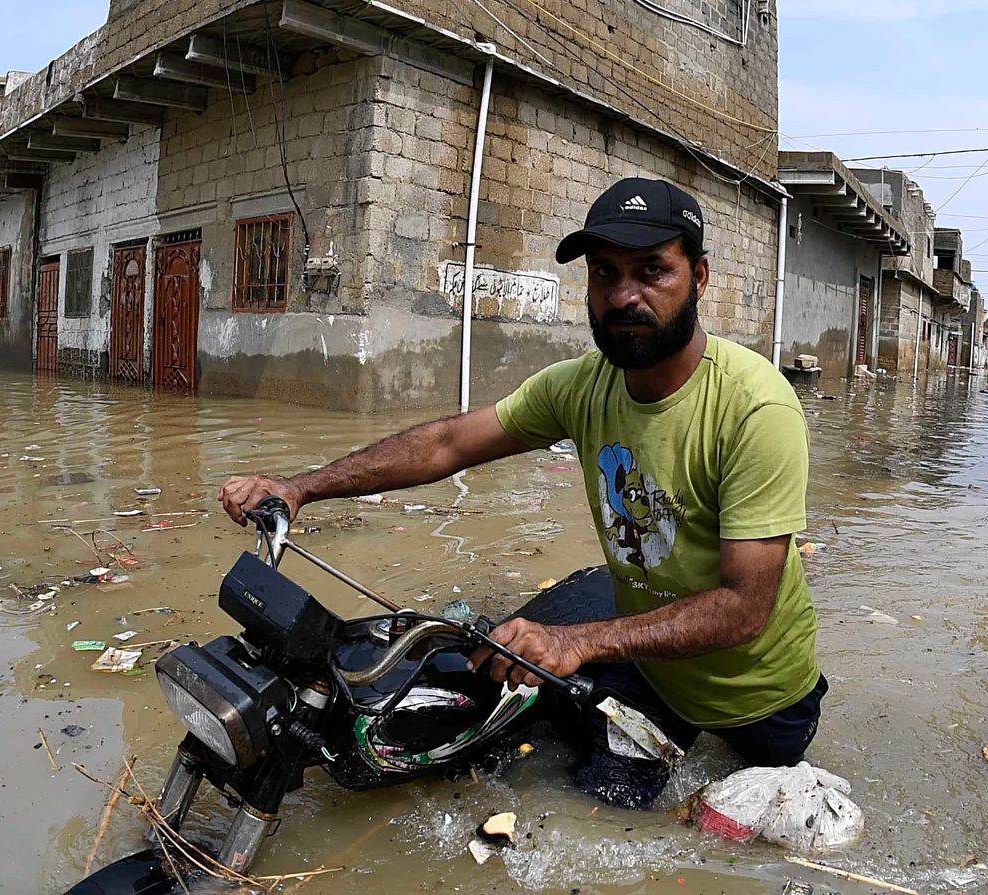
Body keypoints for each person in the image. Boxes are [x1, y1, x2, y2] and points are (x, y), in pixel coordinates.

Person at [221, 178, 824, 809]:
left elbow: (744, 606)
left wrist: (577, 641)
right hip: (652, 676)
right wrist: (300, 488)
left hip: (763, 701)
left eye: (653, 271)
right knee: (598, 805)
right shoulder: (581, 387)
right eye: (604, 273)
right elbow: (447, 444)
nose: (624, 296)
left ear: (698, 278)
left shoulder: (756, 408)